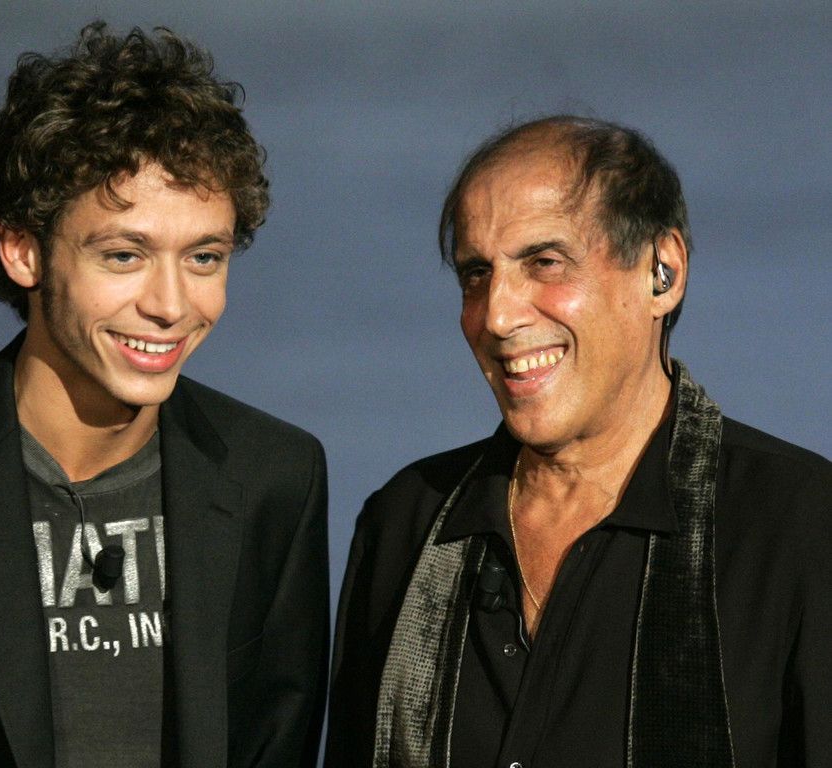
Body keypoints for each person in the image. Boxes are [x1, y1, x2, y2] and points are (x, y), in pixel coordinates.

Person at [0, 22, 328, 768]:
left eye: (204, 257)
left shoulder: (274, 479)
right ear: (23, 249)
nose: (170, 305)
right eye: (124, 255)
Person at [326, 116, 831, 767]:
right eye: (476, 274)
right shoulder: (407, 523)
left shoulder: (797, 524)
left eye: (544, 262)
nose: (497, 315)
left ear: (662, 271)